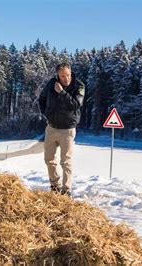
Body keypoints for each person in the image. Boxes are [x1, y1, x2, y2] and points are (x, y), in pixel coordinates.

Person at [38, 63, 85, 196]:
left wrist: (62, 92)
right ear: (58, 75)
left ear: (71, 73)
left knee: (66, 161)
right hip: (51, 128)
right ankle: (55, 186)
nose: (66, 78)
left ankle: (66, 189)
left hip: (68, 130)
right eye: (63, 76)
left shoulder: (79, 86)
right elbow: (41, 99)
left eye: (68, 75)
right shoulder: (51, 84)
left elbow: (76, 105)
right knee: (49, 159)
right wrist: (45, 113)